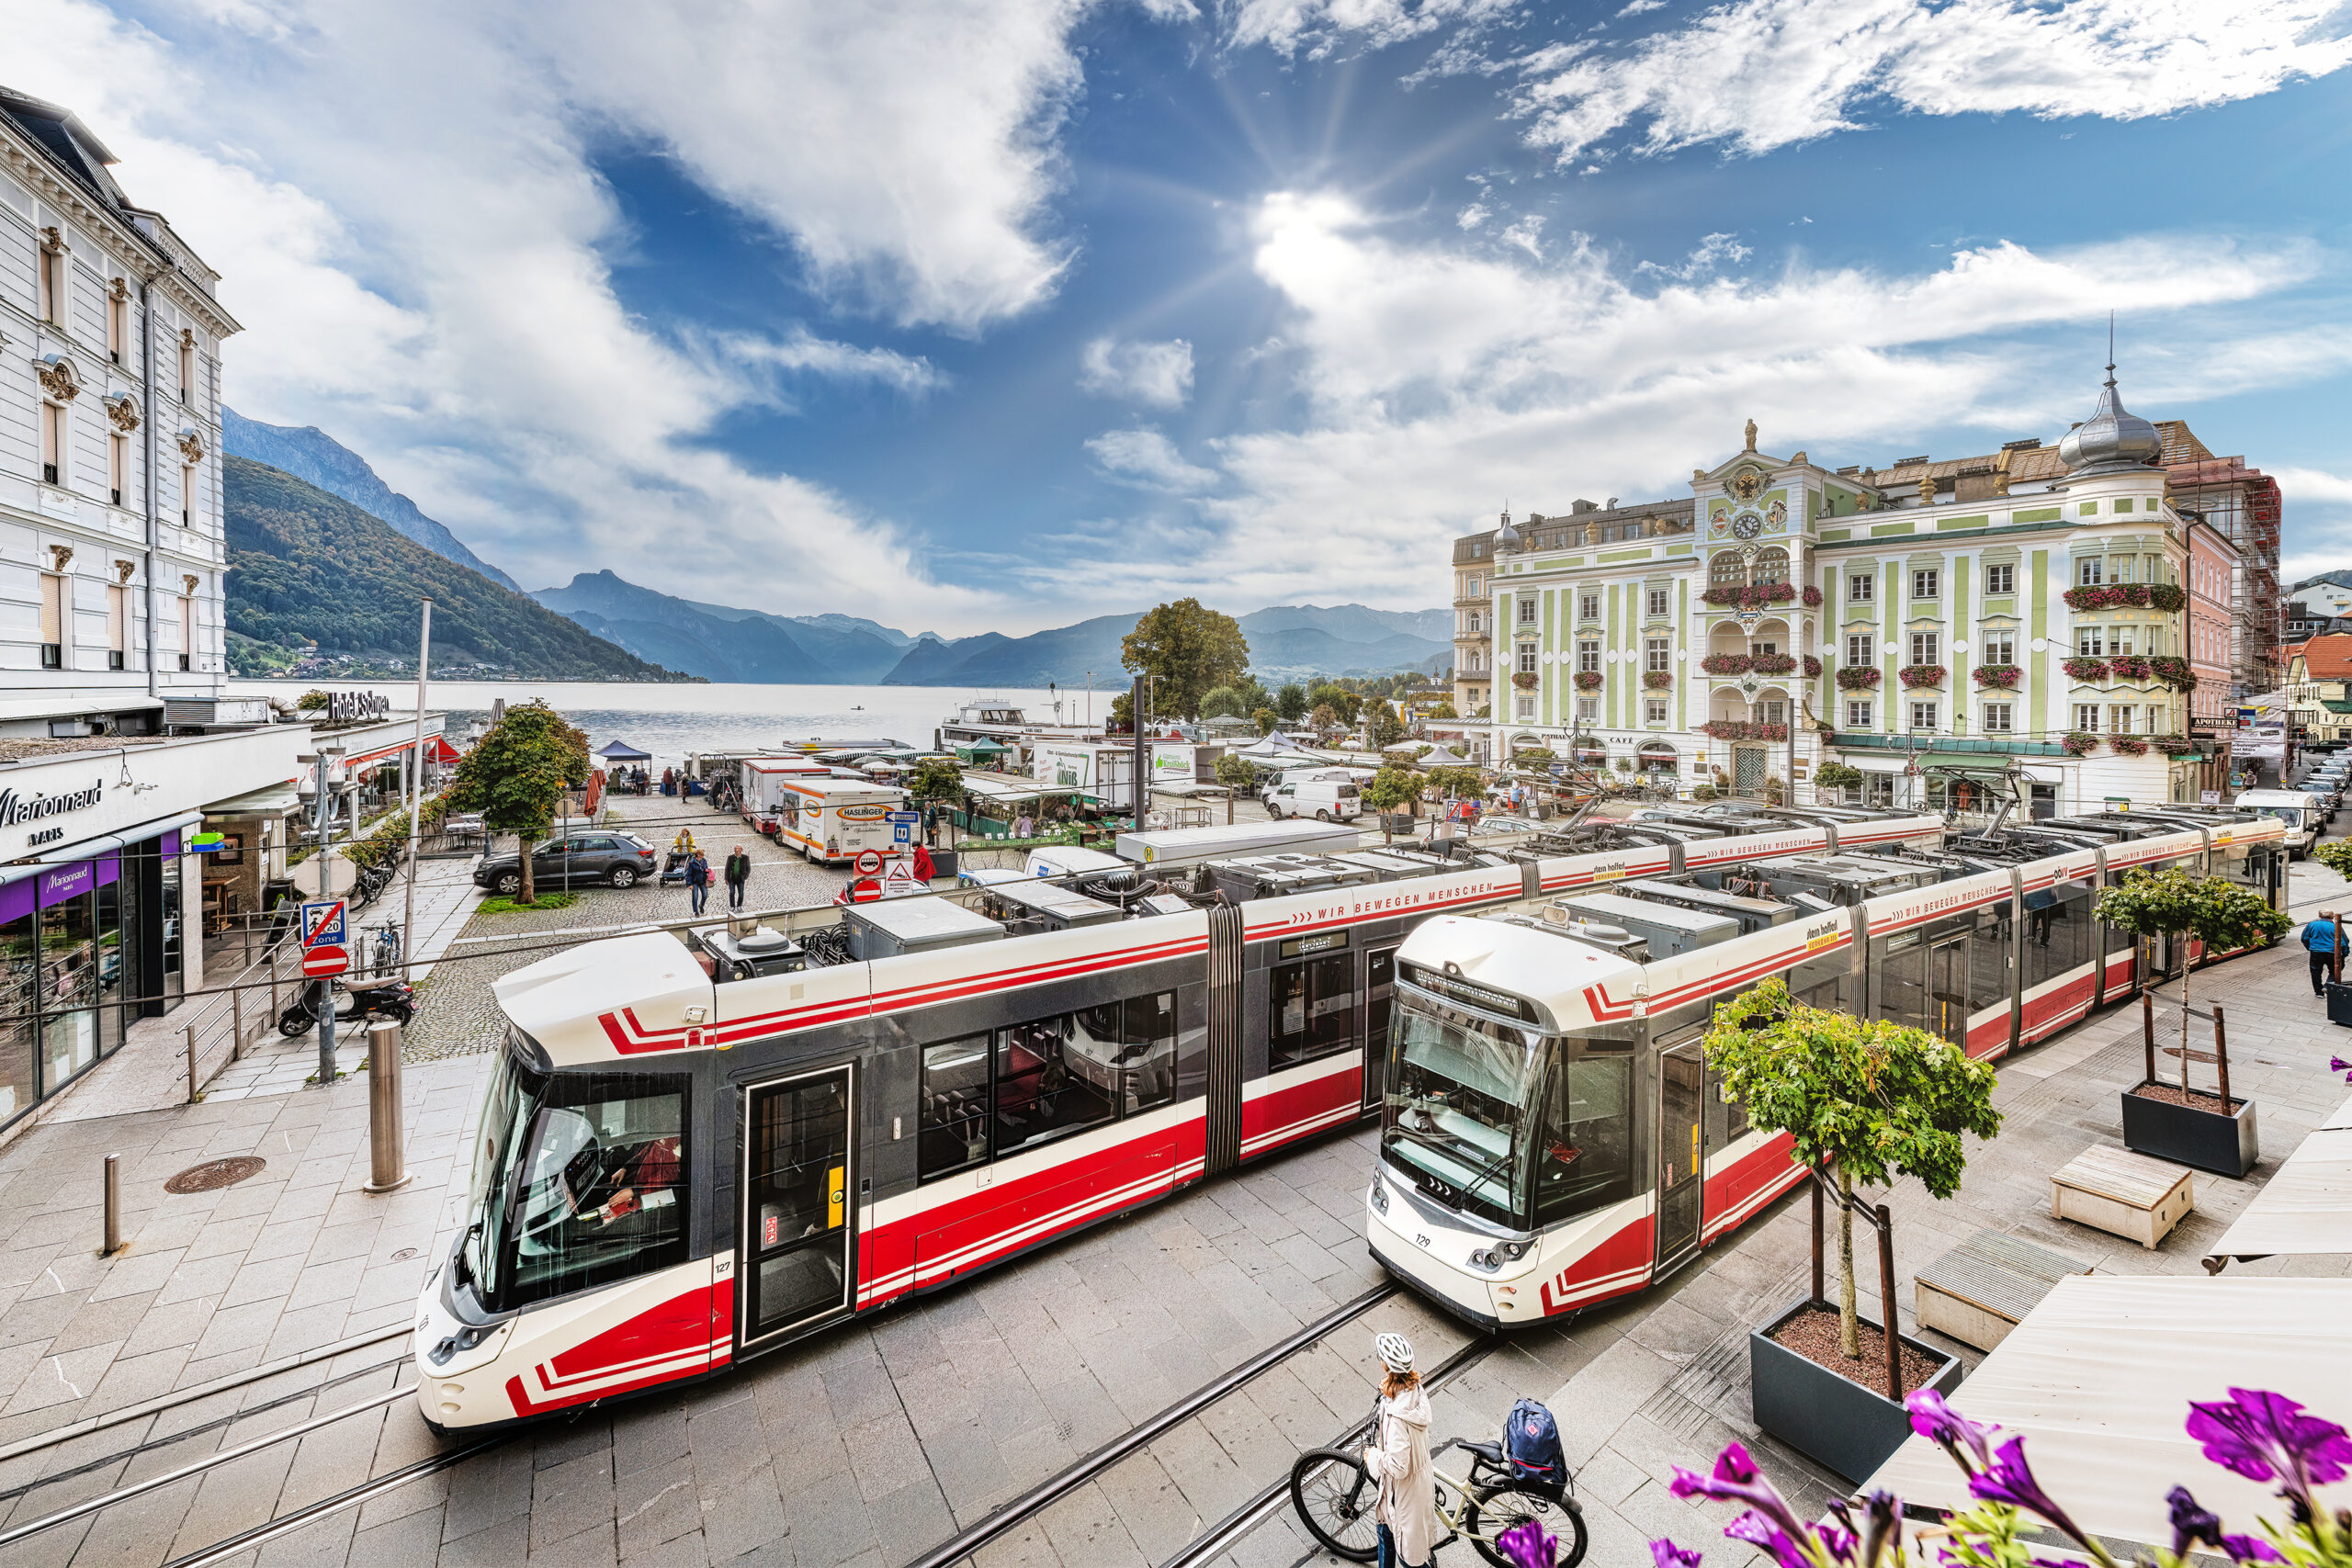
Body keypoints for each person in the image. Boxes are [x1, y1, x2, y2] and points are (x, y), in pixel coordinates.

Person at [1363, 1333, 1435, 1568]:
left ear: (1386, 1365)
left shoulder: (1396, 1420)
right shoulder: (1415, 1389)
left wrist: (1373, 1457)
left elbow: (1398, 1466)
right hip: (1408, 1486)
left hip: (1405, 1493)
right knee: (1384, 1530)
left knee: (1409, 1558)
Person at [2303, 909, 2340, 997]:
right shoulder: (2336, 927)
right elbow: (2343, 942)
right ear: (2332, 917)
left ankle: (2319, 992)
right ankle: (2328, 984)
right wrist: (2344, 953)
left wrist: (2310, 947)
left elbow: (2304, 938)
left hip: (2316, 952)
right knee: (2335, 969)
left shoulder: (2312, 925)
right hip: (2331, 952)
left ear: (2319, 915)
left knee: (2315, 971)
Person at [725, 844, 752, 911]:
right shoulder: (730, 857)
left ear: (741, 850)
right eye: (736, 849)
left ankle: (739, 906)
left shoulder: (745, 858)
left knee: (741, 894)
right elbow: (727, 868)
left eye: (739, 849)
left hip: (740, 879)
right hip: (732, 879)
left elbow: (748, 868)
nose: (737, 851)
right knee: (732, 893)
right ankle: (732, 906)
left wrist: (745, 876)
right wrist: (726, 878)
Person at [686, 849, 711, 917]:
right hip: (695, 882)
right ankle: (696, 911)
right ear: (698, 855)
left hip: (703, 881)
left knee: (705, 895)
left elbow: (706, 868)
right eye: (701, 855)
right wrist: (689, 884)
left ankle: (701, 905)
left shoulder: (704, 861)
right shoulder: (692, 862)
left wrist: (708, 871)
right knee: (695, 896)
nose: (702, 857)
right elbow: (689, 874)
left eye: (703, 855)